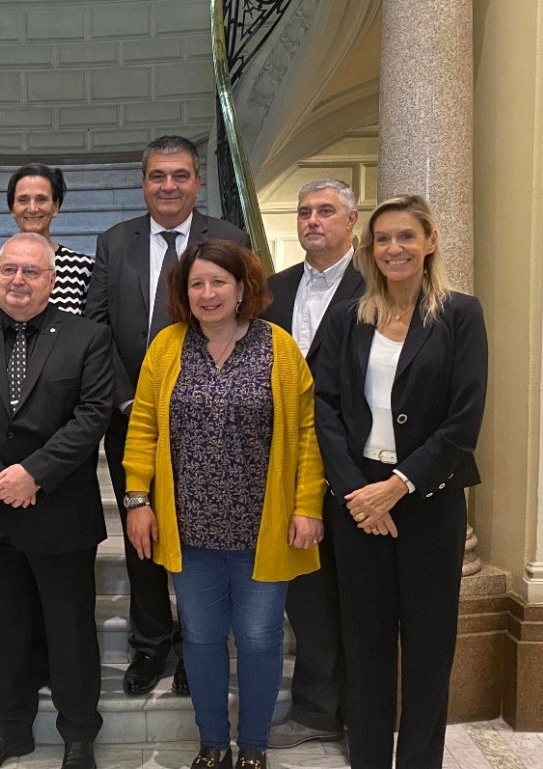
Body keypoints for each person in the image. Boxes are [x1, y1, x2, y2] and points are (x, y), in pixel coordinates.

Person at [122, 239, 325, 769]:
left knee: (260, 638)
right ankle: (213, 742)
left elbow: (306, 433)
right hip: (188, 527)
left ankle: (253, 744)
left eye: (218, 282)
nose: (207, 293)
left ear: (242, 288)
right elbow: (142, 427)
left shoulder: (278, 347)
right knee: (202, 637)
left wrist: (308, 506)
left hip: (264, 526)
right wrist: (138, 499)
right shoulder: (166, 346)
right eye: (196, 284)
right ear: (182, 292)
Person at [314, 195, 488, 769]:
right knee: (364, 650)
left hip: (429, 506)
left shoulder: (460, 314)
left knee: (428, 652)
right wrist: (356, 495)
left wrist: (400, 485)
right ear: (370, 249)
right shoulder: (348, 317)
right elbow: (326, 408)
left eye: (406, 237)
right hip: (359, 503)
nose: (394, 249)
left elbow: (463, 422)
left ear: (430, 241)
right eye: (383, 239)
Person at [0, 233, 112, 769]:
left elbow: (93, 414)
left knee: (70, 629)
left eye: (31, 272)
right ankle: (11, 729)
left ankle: (79, 734)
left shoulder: (87, 337)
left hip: (61, 510)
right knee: (5, 629)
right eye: (9, 270)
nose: (18, 280)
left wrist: (34, 473)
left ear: (51, 280)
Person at [84, 135, 249, 696]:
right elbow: (97, 327)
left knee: (203, 535)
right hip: (132, 416)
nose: (169, 186)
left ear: (198, 181)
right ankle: (151, 645)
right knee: (142, 534)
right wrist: (130, 399)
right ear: (144, 181)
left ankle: (197, 647)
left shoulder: (228, 238)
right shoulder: (114, 242)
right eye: (158, 176)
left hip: (214, 422)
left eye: (180, 175)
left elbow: (245, 320)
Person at [261, 179, 363, 749]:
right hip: (285, 467)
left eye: (325, 211)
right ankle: (316, 708)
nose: (312, 221)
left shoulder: (374, 286)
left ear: (351, 221)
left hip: (355, 468)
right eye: (304, 212)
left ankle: (361, 710)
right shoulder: (273, 291)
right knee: (307, 593)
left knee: (358, 591)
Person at [0, 163, 94, 314]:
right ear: (12, 208)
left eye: (41, 199)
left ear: (55, 207)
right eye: (23, 200)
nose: (32, 208)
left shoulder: (82, 268)